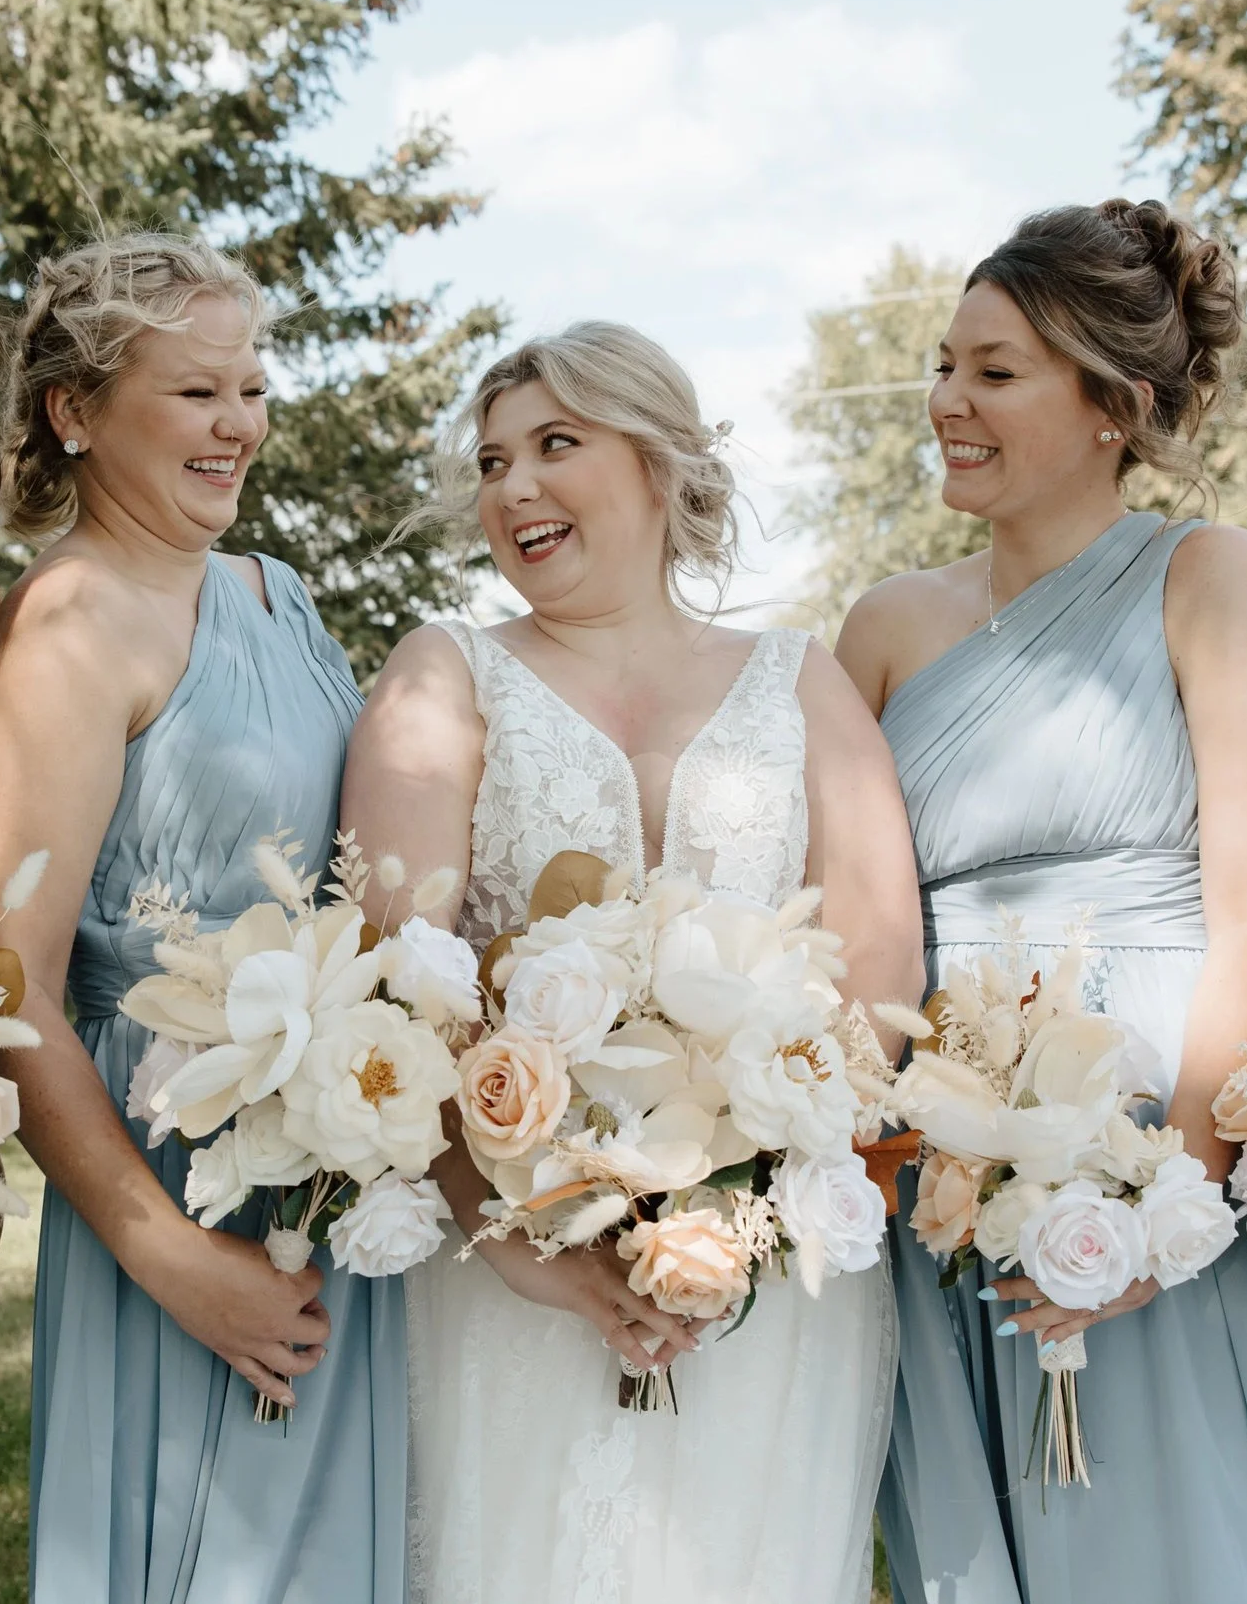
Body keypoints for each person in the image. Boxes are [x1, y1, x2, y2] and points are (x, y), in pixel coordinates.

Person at [340, 321, 924, 1603]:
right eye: (492, 462)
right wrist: (529, 1244)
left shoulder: (800, 678)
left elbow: (880, 965)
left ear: (661, 465)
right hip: (507, 1263)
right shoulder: (444, 675)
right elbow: (401, 983)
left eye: (557, 445)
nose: (513, 488)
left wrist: (742, 1215)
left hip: (764, 1276)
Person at [839, 200, 1247, 1603]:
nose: (948, 398)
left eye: (996, 370)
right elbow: (849, 920)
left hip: (1149, 1135)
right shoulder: (886, 626)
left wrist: (1172, 1198)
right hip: (942, 1150)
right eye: (946, 363)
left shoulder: (1214, 578)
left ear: (1113, 405)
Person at [0, 232, 400, 1603]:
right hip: (170, 1171)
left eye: (254, 387)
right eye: (199, 391)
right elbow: (3, 973)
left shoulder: (280, 593)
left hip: (332, 1157)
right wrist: (173, 1256)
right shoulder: (70, 623)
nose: (240, 424)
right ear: (74, 412)